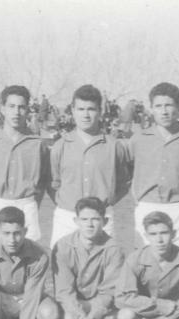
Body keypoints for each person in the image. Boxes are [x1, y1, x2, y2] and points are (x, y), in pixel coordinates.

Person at [127, 82, 179, 249]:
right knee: (147, 264)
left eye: (168, 105)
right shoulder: (138, 139)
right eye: (158, 106)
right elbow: (125, 172)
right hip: (147, 207)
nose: (164, 111)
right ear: (151, 109)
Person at [49, 84, 131, 248]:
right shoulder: (61, 146)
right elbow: (53, 182)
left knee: (103, 268)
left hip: (101, 217)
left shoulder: (114, 146)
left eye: (91, 109)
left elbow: (124, 183)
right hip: (67, 216)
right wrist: (65, 202)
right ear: (72, 111)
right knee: (63, 268)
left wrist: (107, 202)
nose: (85, 115)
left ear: (100, 112)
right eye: (80, 109)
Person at [52, 197, 124, 319]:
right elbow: (64, 291)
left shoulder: (114, 249)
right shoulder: (63, 246)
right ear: (76, 221)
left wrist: (92, 316)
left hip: (100, 304)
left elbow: (109, 292)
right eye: (84, 219)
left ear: (105, 221)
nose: (89, 225)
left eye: (95, 219)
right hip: (75, 303)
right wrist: (81, 317)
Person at [0, 85, 49, 242]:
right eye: (11, 106)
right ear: (2, 109)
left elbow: (43, 182)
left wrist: (30, 202)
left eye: (21, 107)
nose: (16, 112)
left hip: (26, 206)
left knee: (27, 260)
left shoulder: (37, 145)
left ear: (27, 110)